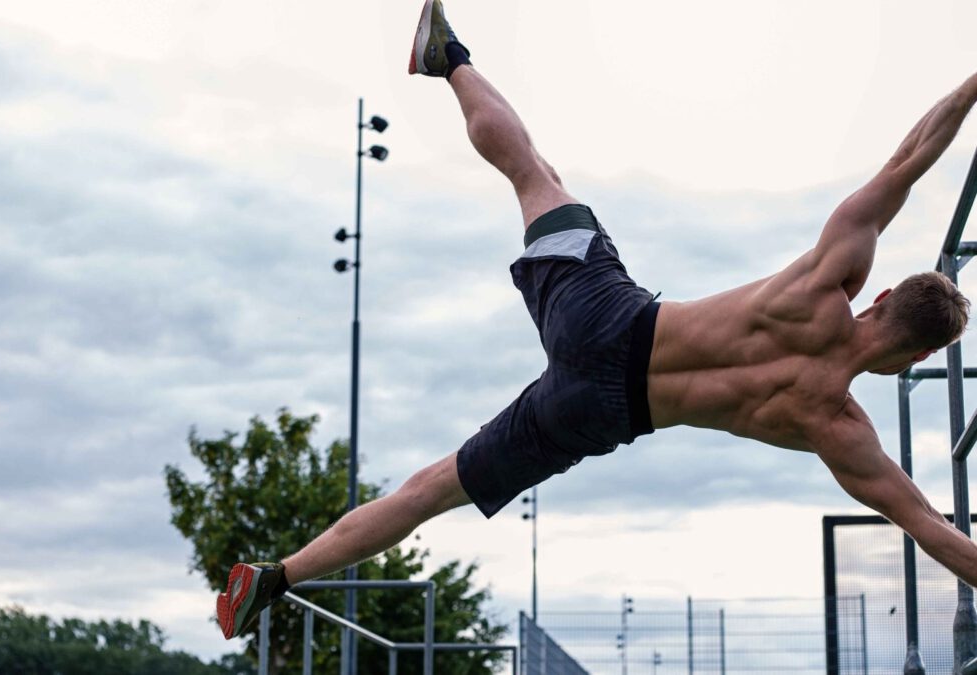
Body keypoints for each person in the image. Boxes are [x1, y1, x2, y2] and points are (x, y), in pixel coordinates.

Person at [218, 0, 977, 640]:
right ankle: (275, 577)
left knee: (535, 174)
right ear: (909, 361)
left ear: (879, 300)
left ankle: (447, 58)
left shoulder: (823, 282)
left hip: (606, 318)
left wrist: (974, 82)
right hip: (599, 411)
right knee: (428, 491)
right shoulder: (839, 427)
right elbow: (938, 535)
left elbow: (911, 155)